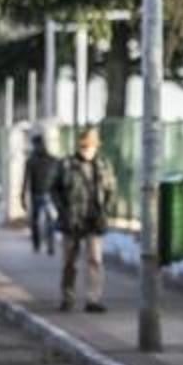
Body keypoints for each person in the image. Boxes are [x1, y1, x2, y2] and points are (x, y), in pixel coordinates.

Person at [51, 127, 116, 313]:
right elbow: (54, 189)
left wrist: (105, 212)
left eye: (91, 146)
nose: (87, 150)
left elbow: (111, 191)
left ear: (96, 147)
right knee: (69, 262)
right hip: (71, 221)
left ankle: (93, 299)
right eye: (84, 146)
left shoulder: (104, 165)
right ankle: (67, 297)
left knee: (95, 260)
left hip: (94, 221)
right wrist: (63, 211)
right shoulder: (66, 164)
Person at [20, 132, 57, 255]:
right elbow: (25, 180)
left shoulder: (51, 160)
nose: (37, 147)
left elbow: (58, 180)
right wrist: (22, 197)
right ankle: (38, 244)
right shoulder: (32, 161)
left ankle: (48, 245)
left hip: (48, 195)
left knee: (49, 221)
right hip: (38, 194)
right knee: (38, 221)